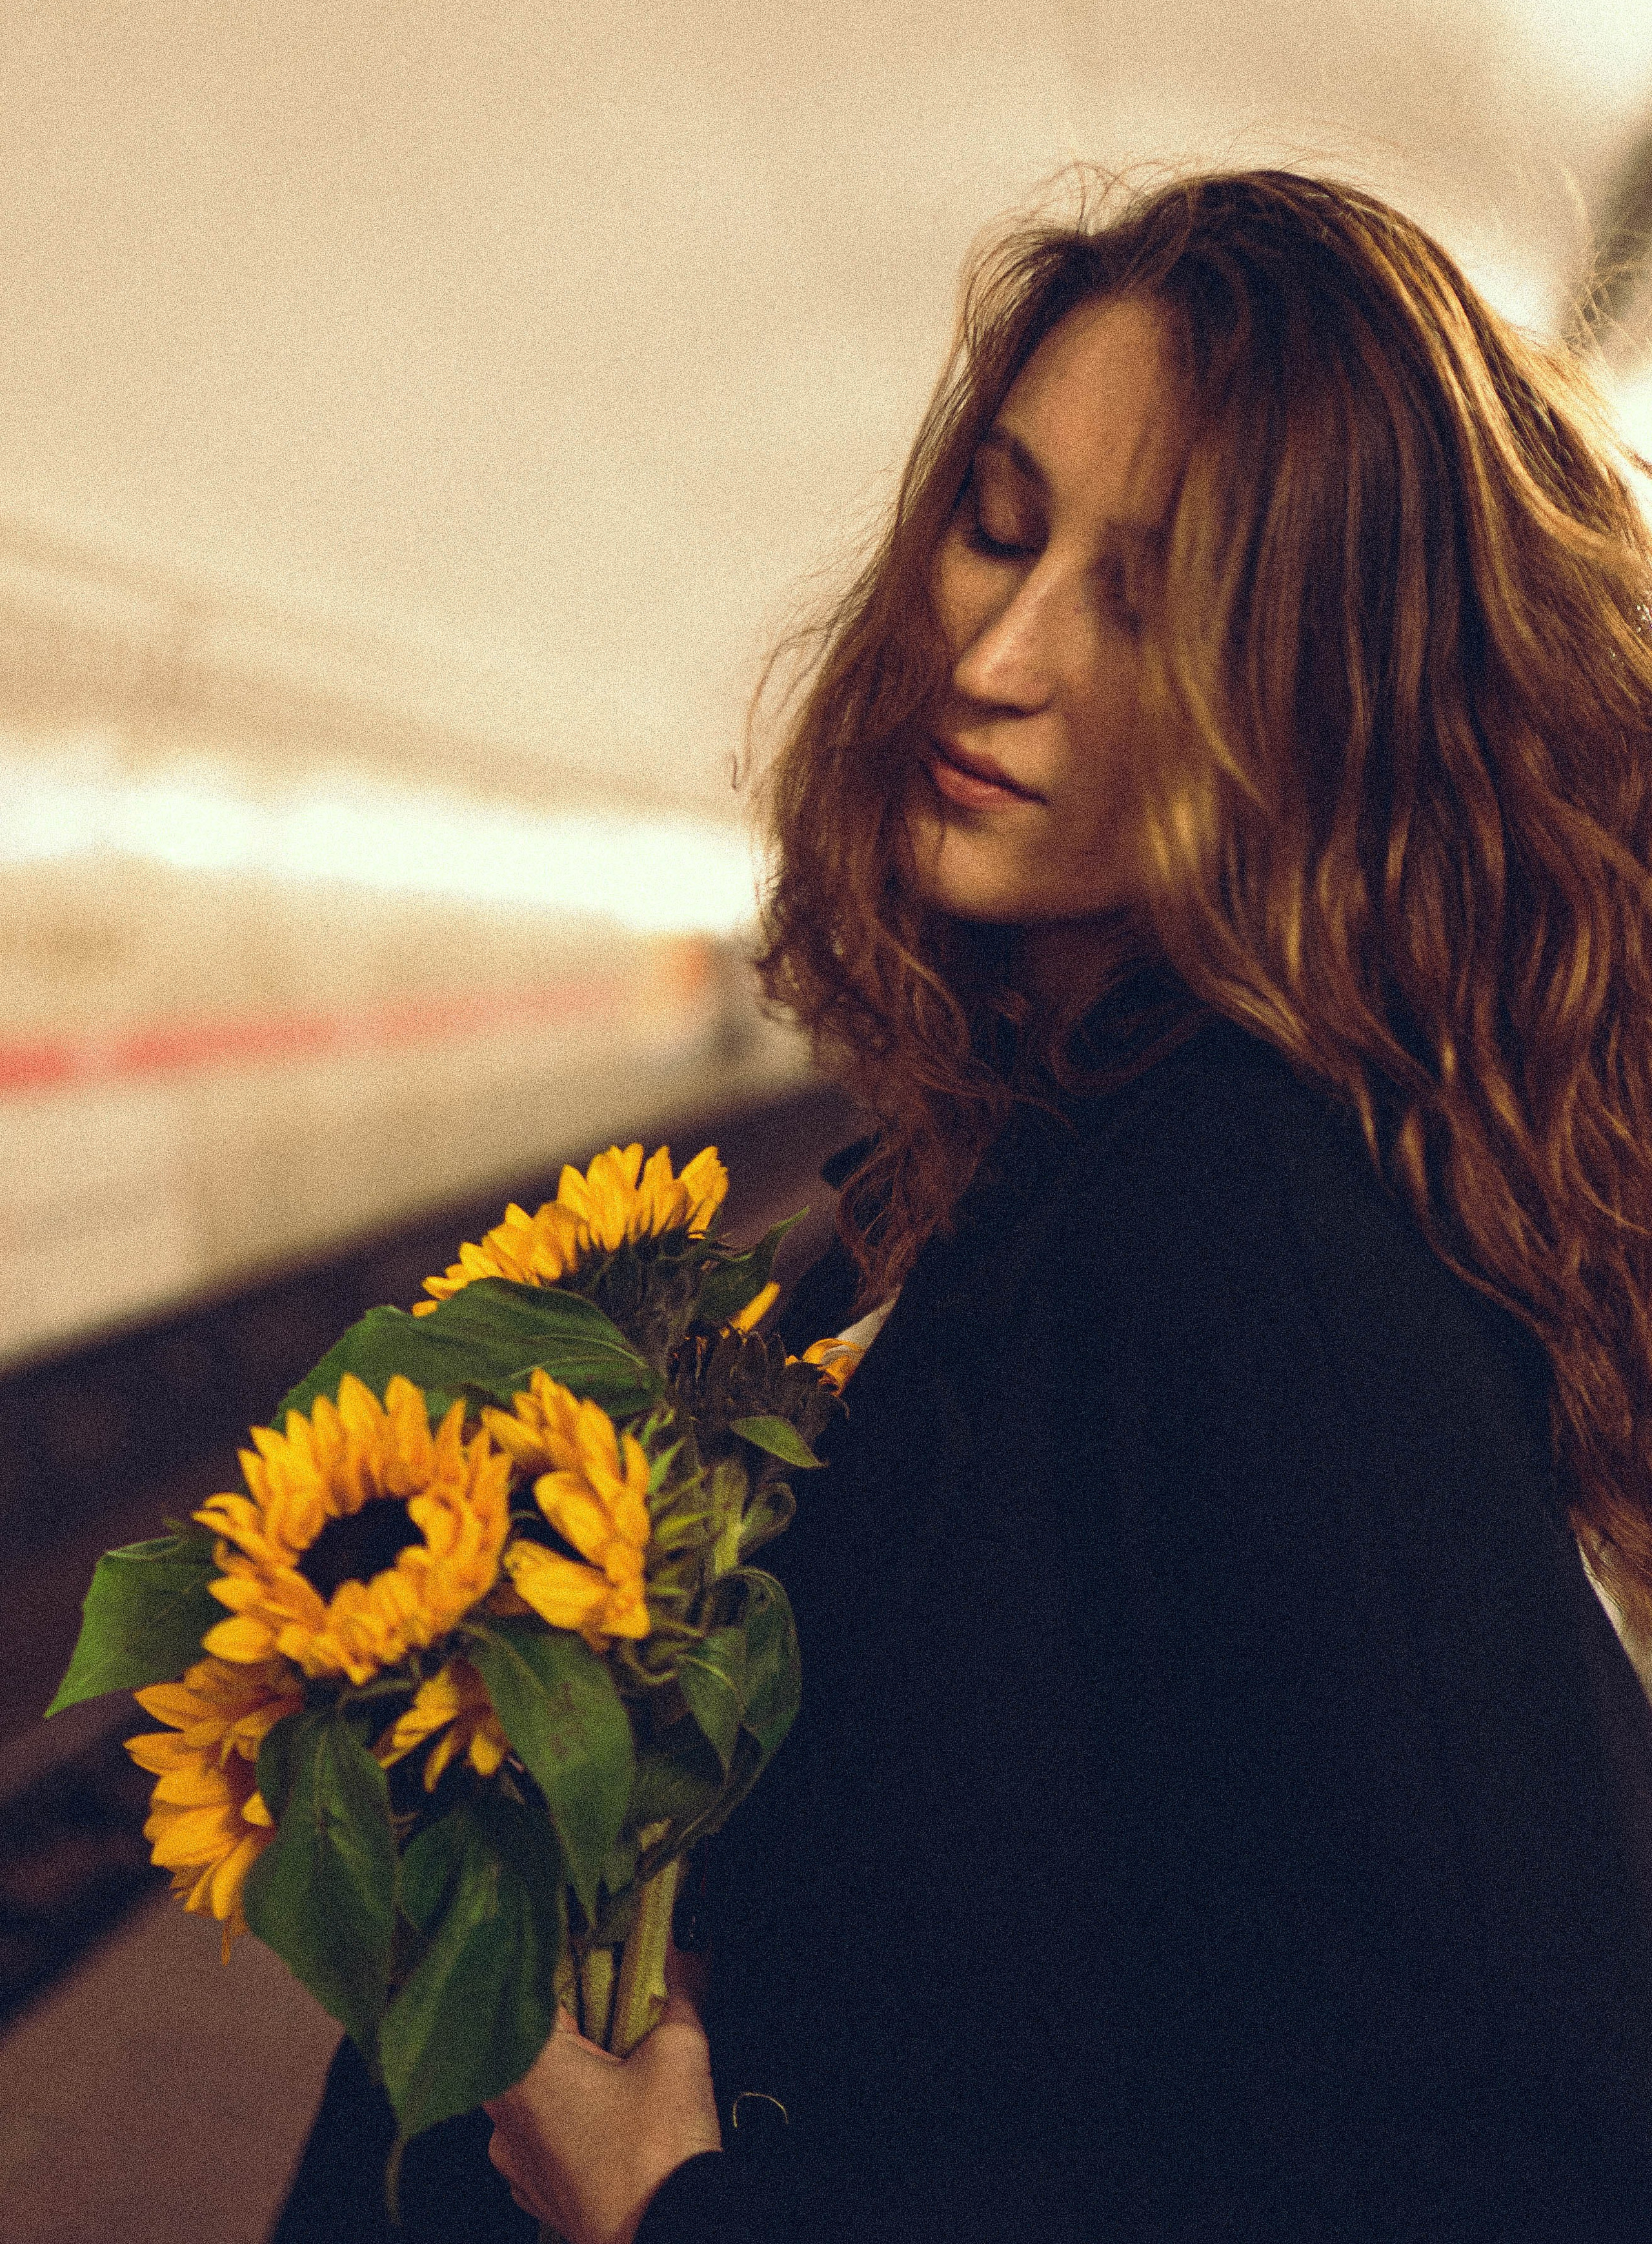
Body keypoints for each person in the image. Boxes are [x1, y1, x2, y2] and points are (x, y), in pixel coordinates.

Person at [278, 168, 1652, 2243]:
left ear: (1335, 693)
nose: (998, 656)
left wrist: (686, 2212)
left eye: (1149, 599)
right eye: (998, 529)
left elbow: (1543, 2141)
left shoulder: (1246, 1224)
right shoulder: (1005, 1168)